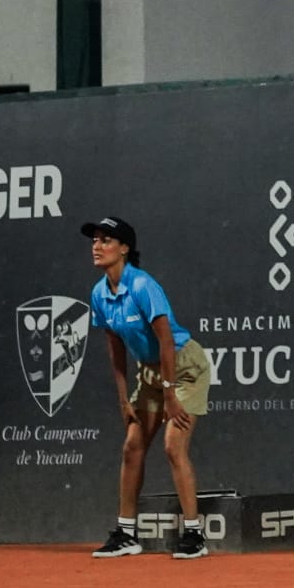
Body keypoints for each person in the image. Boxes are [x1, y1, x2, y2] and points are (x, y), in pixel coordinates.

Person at [82, 216, 213, 560]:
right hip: (150, 375)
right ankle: (126, 533)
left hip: (184, 369)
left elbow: (166, 341)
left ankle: (195, 534)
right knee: (132, 446)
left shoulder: (142, 286)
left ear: (124, 248)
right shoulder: (99, 294)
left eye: (106, 240)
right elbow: (115, 347)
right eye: (94, 240)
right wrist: (123, 397)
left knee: (173, 445)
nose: (97, 246)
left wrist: (170, 394)